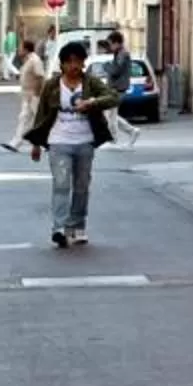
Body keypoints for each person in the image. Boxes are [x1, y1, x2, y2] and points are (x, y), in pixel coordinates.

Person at [32, 43, 121, 248]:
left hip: (84, 142)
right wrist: (36, 143)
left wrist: (91, 103)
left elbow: (114, 97)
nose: (73, 66)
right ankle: (60, 228)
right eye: (69, 62)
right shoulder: (52, 85)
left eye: (78, 61)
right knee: (61, 184)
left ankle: (77, 226)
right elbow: (42, 114)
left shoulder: (90, 83)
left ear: (83, 63)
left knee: (81, 186)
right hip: (58, 141)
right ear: (62, 64)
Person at [10, 38, 51, 154]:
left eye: (21, 48)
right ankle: (16, 143)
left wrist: (37, 92)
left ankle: (47, 142)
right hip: (27, 95)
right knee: (24, 118)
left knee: (40, 120)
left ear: (26, 49)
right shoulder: (28, 60)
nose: (18, 50)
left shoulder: (35, 60)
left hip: (35, 94)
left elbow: (40, 77)